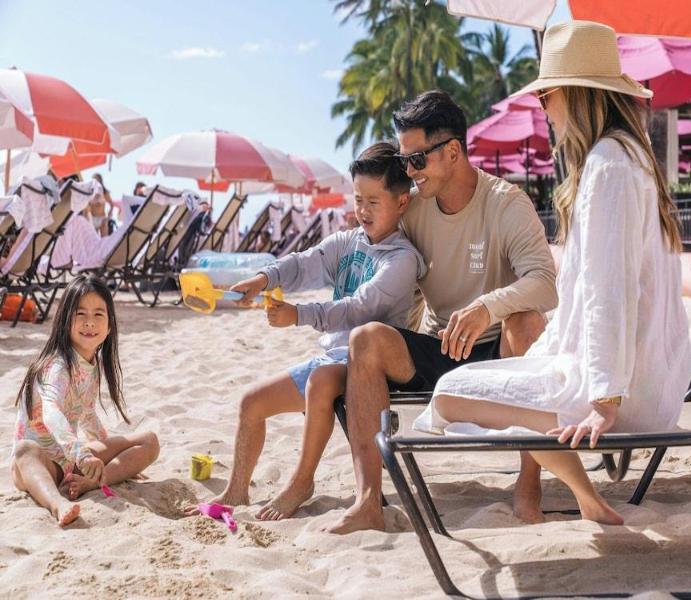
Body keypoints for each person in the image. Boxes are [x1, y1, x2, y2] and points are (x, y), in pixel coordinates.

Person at [416, 20, 691, 525]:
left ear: (576, 94)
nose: (543, 106)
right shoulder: (629, 157)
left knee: (449, 396)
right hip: (641, 379)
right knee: (479, 383)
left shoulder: (608, 166)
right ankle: (584, 496)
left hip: (621, 389)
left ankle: (580, 491)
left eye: (546, 95)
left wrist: (605, 400)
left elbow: (611, 291)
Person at [328, 90, 558, 534]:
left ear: (452, 152)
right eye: (403, 161)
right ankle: (368, 501)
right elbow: (379, 266)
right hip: (438, 348)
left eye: (416, 160)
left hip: (498, 353)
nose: (408, 172)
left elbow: (545, 283)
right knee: (365, 340)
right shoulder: (412, 209)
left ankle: (529, 485)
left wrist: (487, 307)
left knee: (528, 321)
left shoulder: (506, 203)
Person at [186, 141, 426, 521]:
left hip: (368, 364)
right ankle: (236, 491)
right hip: (330, 358)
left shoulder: (402, 259)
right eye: (357, 199)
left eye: (373, 202)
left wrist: (298, 315)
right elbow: (303, 263)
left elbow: (359, 308)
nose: (363, 210)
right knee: (251, 403)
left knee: (320, 381)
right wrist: (262, 279)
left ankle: (302, 482)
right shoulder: (347, 241)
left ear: (401, 202)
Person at [11, 274, 160, 526]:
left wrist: (108, 462)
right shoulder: (57, 366)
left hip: (71, 463)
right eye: (80, 314)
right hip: (42, 466)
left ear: (110, 325)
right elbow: (51, 413)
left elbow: (88, 416)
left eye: (98, 314)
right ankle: (57, 504)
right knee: (25, 449)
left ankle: (92, 481)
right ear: (64, 321)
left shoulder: (92, 365)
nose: (90, 322)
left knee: (149, 440)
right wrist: (82, 456)